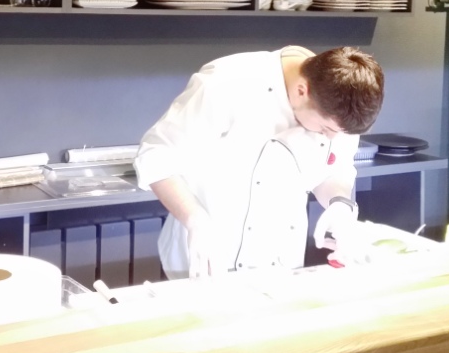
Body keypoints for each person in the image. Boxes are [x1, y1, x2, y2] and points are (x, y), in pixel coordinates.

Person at [134, 46, 384, 279]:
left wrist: (339, 204)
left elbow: (333, 169)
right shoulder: (227, 82)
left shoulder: (342, 102)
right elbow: (156, 155)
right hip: (207, 256)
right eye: (325, 129)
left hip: (282, 265)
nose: (330, 138)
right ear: (302, 91)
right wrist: (195, 220)